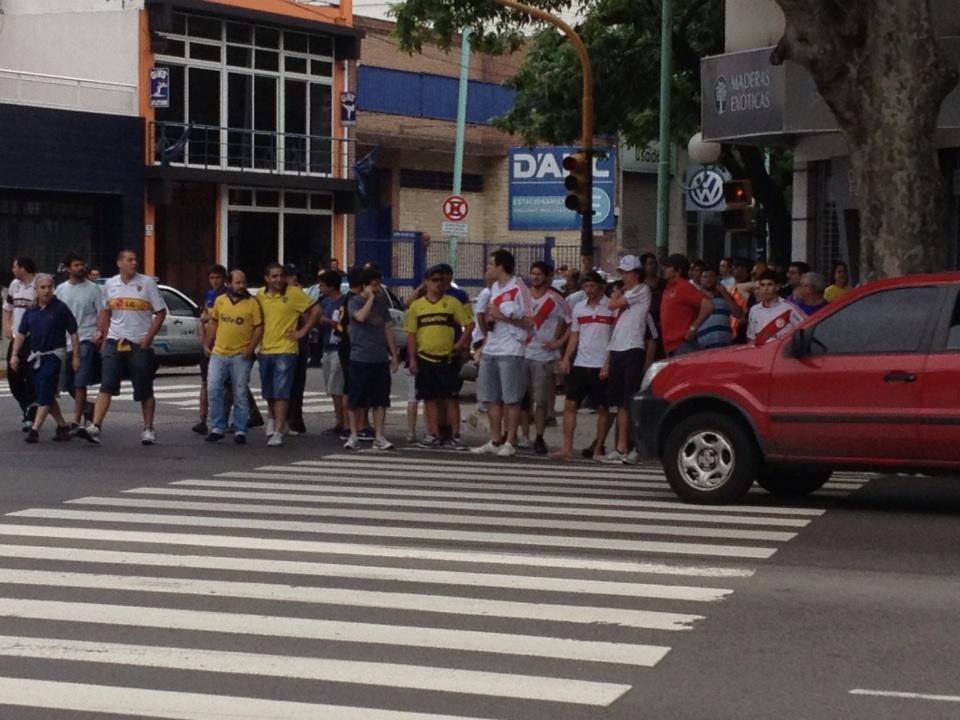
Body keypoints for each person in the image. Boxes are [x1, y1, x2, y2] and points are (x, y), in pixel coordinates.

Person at [77, 250, 167, 445]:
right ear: (119, 263)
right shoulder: (111, 284)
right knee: (107, 384)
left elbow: (160, 313)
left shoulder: (147, 283)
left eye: (135, 260)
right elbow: (106, 311)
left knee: (144, 387)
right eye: (129, 260)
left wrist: (148, 337)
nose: (134, 263)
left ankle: (148, 428)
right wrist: (101, 333)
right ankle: (96, 426)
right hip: (115, 340)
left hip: (138, 342)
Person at [471, 249, 533, 457]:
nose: (487, 269)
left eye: (490, 265)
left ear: (500, 266)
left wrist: (503, 317)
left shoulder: (519, 287)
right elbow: (488, 316)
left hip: (511, 348)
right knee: (491, 397)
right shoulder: (493, 288)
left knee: (511, 398)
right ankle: (495, 439)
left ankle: (510, 440)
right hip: (492, 346)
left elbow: (530, 322)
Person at [404, 264, 473, 448]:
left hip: (447, 358)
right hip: (425, 357)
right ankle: (433, 433)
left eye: (441, 280)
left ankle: (455, 434)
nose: (438, 284)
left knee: (451, 398)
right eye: (434, 280)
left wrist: (459, 345)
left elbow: (469, 323)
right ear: (426, 282)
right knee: (430, 398)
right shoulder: (417, 307)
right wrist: (412, 359)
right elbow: (411, 334)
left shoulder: (451, 303)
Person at [551, 271, 615, 461]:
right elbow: (575, 335)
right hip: (581, 362)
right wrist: (566, 358)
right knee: (570, 404)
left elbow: (614, 336)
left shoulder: (611, 307)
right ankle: (567, 447)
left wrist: (608, 362)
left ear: (600, 287)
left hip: (601, 363)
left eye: (592, 286)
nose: (589, 290)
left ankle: (598, 447)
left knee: (604, 408)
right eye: (585, 286)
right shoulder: (579, 307)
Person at [11, 274, 80, 443]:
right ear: (36, 290)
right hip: (36, 357)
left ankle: (35, 429)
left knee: (46, 387)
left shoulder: (60, 308)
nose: (46, 291)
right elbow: (20, 334)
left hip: (54, 355)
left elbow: (73, 332)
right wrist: (14, 354)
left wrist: (76, 356)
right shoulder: (31, 311)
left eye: (49, 287)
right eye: (42, 288)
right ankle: (63, 427)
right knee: (44, 392)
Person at [257, 262, 319, 447]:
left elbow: (315, 310)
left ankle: (278, 430)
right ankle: (274, 420)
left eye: (281, 276)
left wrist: (303, 331)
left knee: (282, 392)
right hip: (265, 349)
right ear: (267, 278)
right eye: (274, 276)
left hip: (286, 349)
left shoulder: (294, 293)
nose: (278, 280)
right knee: (268, 391)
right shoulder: (260, 295)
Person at [598, 256, 651, 464]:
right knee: (620, 402)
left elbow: (612, 304)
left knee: (631, 401)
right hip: (619, 348)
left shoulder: (641, 290)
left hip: (632, 348)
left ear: (636, 274)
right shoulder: (629, 294)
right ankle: (621, 447)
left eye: (627, 273)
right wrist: (608, 360)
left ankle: (636, 446)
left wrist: (618, 294)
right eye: (622, 272)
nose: (624, 276)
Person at [204, 269, 263, 445]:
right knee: (213, 388)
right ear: (229, 284)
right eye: (237, 282)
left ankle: (240, 428)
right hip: (219, 353)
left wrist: (250, 349)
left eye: (243, 282)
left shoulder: (252, 303)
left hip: (240, 354)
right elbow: (214, 323)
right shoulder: (220, 301)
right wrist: (207, 344)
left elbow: (258, 327)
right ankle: (217, 426)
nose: (241, 285)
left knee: (240, 391)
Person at [344, 266, 400, 451]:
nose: (376, 289)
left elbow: (387, 328)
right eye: (373, 285)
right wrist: (370, 299)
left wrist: (393, 354)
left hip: (379, 357)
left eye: (378, 285)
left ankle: (380, 435)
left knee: (380, 400)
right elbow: (360, 317)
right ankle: (353, 434)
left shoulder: (382, 303)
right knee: (356, 399)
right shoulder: (354, 301)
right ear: (364, 286)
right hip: (360, 357)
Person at [523, 261, 570, 455]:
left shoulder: (555, 298)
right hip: (521, 351)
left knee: (540, 400)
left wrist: (558, 342)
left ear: (548, 276)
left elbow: (571, 322)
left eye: (539, 274)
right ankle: (522, 436)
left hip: (543, 355)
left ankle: (539, 437)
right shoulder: (523, 295)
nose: (535, 277)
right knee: (521, 398)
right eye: (533, 273)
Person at [55, 252, 103, 431]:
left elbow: (101, 313)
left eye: (82, 264)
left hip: (86, 338)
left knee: (80, 380)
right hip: (65, 340)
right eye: (76, 265)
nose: (80, 268)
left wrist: (99, 333)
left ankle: (75, 420)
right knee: (68, 384)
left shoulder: (94, 289)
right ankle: (87, 407)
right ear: (68, 268)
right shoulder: (60, 289)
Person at [3, 256, 38, 430]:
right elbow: (7, 308)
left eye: (15, 266)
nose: (13, 269)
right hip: (17, 338)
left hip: (33, 338)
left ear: (23, 268)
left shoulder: (39, 286)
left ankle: (31, 413)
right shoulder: (14, 286)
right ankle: (26, 407)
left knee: (31, 377)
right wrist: (7, 325)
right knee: (13, 376)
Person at [193, 264, 227, 436]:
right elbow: (202, 319)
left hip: (223, 345)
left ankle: (228, 418)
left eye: (218, 278)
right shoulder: (209, 295)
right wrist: (203, 341)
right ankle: (202, 419)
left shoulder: (227, 296)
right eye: (212, 278)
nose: (215, 281)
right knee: (206, 382)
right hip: (208, 344)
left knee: (229, 385)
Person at [660, 254, 713, 357]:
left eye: (668, 267)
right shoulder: (669, 287)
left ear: (678, 270)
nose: (664, 269)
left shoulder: (683, 286)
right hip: (671, 345)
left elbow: (708, 306)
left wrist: (693, 328)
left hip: (683, 344)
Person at [316, 270, 348, 437]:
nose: (320, 288)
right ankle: (338, 421)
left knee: (339, 387)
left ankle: (345, 423)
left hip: (338, 347)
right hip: (326, 347)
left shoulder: (343, 302)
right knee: (332, 388)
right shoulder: (324, 302)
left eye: (322, 285)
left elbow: (344, 326)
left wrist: (328, 321)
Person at [747, 269, 805, 345]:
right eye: (763, 285)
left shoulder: (789, 308)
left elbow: (804, 328)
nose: (766, 289)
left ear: (777, 287)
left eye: (769, 284)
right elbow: (751, 338)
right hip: (761, 353)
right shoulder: (754, 310)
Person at [697, 264, 744, 349]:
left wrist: (725, 294)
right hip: (702, 346)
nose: (709, 279)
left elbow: (738, 314)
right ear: (700, 279)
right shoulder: (696, 297)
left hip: (725, 344)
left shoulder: (725, 296)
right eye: (705, 277)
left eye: (712, 276)